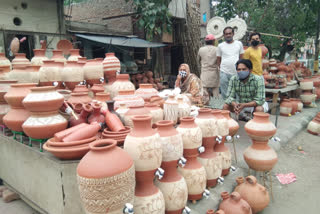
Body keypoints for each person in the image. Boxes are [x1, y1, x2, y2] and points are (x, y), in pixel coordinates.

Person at [217, 27, 244, 99]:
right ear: (224, 35)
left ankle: (238, 108)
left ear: (233, 34)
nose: (228, 35)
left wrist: (240, 69)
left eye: (230, 33)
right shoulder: (220, 46)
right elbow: (218, 59)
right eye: (226, 34)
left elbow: (241, 57)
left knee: (238, 92)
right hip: (224, 72)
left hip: (236, 72)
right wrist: (221, 69)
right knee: (225, 93)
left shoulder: (239, 44)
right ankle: (226, 108)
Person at [198, 34, 219, 100]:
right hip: (214, 73)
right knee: (215, 92)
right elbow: (219, 61)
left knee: (204, 92)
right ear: (213, 41)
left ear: (205, 41)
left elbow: (198, 60)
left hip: (204, 72)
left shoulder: (201, 49)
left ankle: (205, 107)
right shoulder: (217, 49)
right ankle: (216, 106)